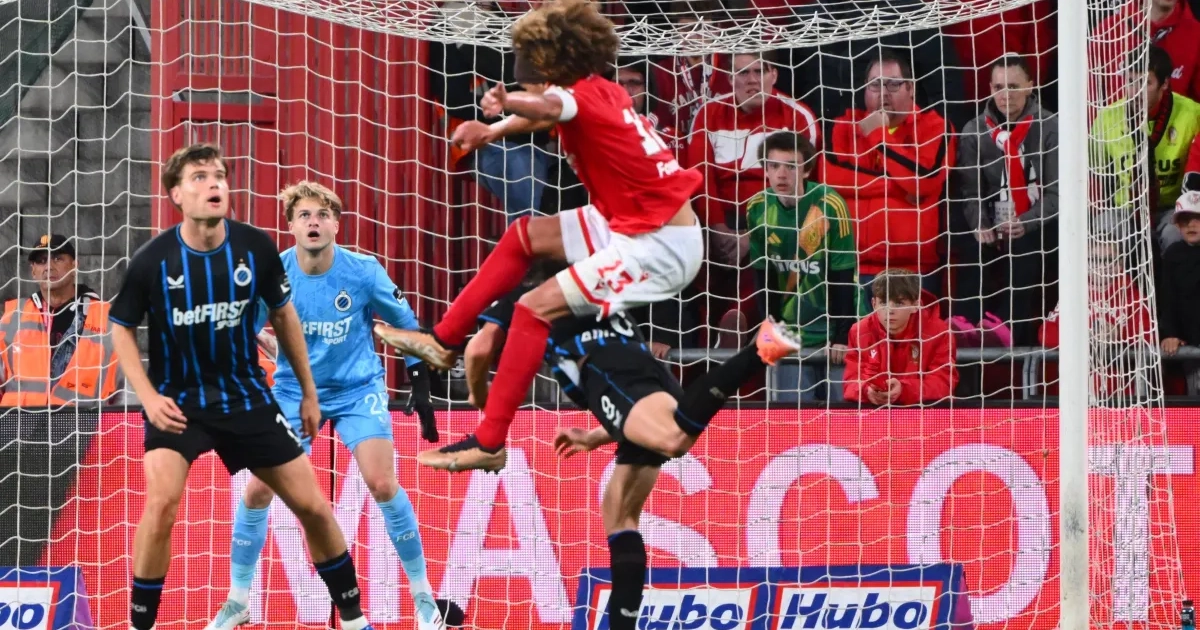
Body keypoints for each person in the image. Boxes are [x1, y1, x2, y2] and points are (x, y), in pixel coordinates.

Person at [375, 0, 704, 473]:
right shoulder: (600, 90)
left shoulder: (572, 97)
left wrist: (506, 101)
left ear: (547, 67)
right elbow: (548, 114)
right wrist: (492, 131)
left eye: (526, 71)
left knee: (533, 309)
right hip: (634, 220)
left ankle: (489, 441)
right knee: (524, 236)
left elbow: (547, 106)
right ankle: (443, 341)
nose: (523, 79)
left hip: (659, 245)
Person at [108, 144, 374, 630]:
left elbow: (284, 316)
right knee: (161, 504)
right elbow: (120, 327)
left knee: (313, 507)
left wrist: (309, 392)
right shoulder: (153, 260)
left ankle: (356, 621)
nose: (214, 184)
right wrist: (147, 396)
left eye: (219, 175)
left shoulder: (255, 248)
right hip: (179, 404)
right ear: (176, 195)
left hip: (247, 399)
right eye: (199, 177)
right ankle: (139, 625)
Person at [464, 280, 800, 630]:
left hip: (612, 373)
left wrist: (480, 396)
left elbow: (477, 350)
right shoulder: (589, 279)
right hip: (642, 376)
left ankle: (759, 350)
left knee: (674, 440)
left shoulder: (525, 295)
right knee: (619, 512)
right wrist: (595, 436)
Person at [206, 181, 446, 630]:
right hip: (295, 392)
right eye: (304, 215)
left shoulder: (363, 271)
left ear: (336, 224)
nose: (313, 222)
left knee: (382, 483)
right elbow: (241, 331)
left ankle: (423, 597)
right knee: (257, 490)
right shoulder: (272, 273)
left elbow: (405, 322)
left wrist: (420, 382)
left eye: (322, 215)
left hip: (357, 389)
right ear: (291, 226)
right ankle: (238, 601)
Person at [822, 47, 954, 297]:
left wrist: (877, 135)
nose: (883, 93)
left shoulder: (935, 126)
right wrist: (900, 186)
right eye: (875, 84)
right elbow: (830, 179)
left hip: (914, 271)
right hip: (851, 267)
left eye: (893, 84)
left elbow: (923, 181)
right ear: (864, 89)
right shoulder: (843, 126)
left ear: (910, 88)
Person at [742, 131, 860, 402]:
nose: (781, 174)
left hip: (833, 330)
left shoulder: (829, 205)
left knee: (843, 415)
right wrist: (771, 326)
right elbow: (763, 275)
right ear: (765, 169)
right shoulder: (757, 208)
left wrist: (843, 335)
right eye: (774, 166)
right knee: (791, 417)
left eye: (791, 166)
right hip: (790, 333)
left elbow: (843, 275)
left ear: (806, 170)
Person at [954, 54, 1059, 348]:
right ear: (990, 88)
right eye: (999, 87)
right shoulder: (975, 130)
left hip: (1037, 222)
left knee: (1025, 243)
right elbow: (970, 192)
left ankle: (1007, 326)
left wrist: (1025, 222)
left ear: (1030, 86)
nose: (1005, 95)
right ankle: (964, 321)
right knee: (968, 238)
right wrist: (980, 224)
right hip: (994, 217)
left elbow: (1057, 195)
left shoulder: (1050, 127)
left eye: (1013, 86)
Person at [0, 234, 120, 407]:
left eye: (57, 258)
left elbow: (127, 388)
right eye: (41, 261)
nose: (49, 266)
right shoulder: (13, 316)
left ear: (74, 265)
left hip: (83, 423)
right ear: (33, 271)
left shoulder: (105, 317)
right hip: (19, 424)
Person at [843, 269, 957, 406]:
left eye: (898, 303)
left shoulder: (939, 333)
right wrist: (866, 391)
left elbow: (944, 383)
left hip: (923, 412)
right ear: (874, 304)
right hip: (873, 411)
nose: (890, 310)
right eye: (883, 303)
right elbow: (851, 382)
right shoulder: (859, 332)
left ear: (915, 305)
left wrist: (904, 390)